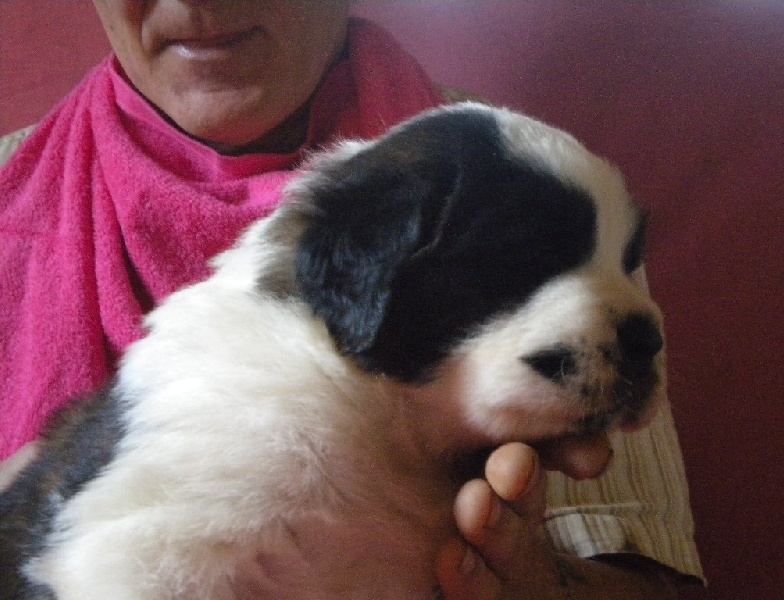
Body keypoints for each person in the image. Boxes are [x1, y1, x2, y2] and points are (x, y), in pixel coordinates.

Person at [0, 2, 703, 598]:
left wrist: (543, 581)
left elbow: (653, 568)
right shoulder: (15, 183)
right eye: (525, 260)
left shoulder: (532, 170)